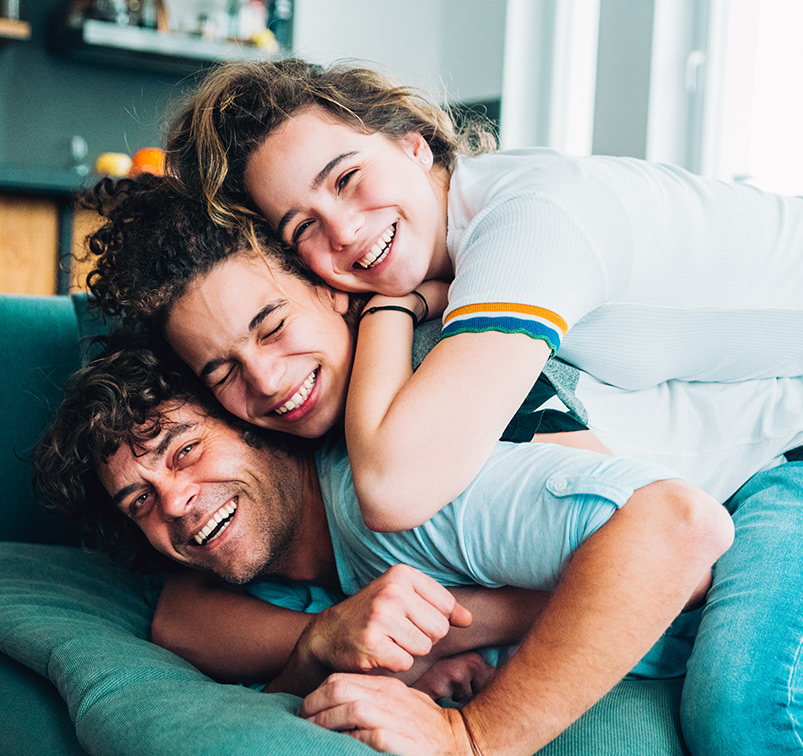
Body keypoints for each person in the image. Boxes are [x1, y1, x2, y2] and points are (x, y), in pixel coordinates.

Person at [33, 338, 732, 756]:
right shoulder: (241, 593)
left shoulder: (401, 496)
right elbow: (182, 626)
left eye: (186, 451)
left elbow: (678, 532)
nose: (175, 503)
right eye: (139, 501)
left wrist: (472, 731)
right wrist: (315, 647)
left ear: (258, 426)